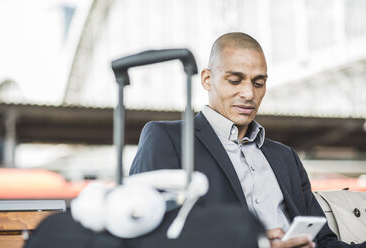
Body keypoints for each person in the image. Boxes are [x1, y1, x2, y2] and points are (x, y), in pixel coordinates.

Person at [129, 32, 362, 248]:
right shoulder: (167, 139)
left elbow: (323, 241)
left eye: (258, 83)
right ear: (207, 79)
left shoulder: (286, 158)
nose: (249, 94)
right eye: (235, 80)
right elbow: (147, 234)